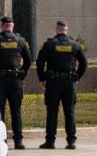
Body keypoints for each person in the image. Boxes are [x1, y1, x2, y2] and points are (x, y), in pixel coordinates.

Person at [0, 16, 32, 149]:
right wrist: (22, 74)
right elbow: (28, 60)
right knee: (16, 111)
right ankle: (18, 141)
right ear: (12, 26)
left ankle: (0, 140)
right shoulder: (20, 41)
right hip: (15, 81)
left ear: (2, 26)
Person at [36, 20, 88, 149]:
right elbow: (84, 62)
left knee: (52, 112)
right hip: (69, 83)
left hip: (53, 82)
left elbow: (39, 63)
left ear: (56, 30)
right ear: (66, 30)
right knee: (69, 111)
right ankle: (71, 141)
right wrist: (77, 77)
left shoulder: (49, 44)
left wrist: (42, 79)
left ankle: (50, 141)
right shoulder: (75, 45)